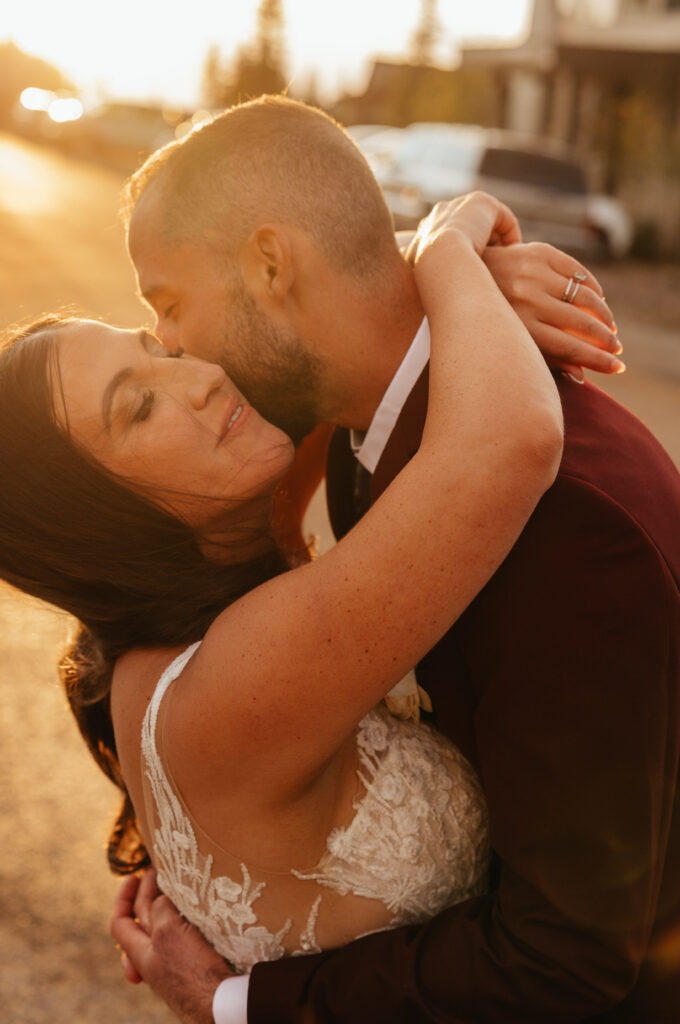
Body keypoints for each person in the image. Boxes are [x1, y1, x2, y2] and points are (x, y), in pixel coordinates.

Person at [111, 97, 680, 1023]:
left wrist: (238, 1002)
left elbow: (565, 956)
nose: (174, 350)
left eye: (168, 306)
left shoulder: (573, 525)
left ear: (268, 266)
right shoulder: (350, 438)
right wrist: (445, 254)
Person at [0, 193, 564, 992]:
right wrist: (448, 251)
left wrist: (447, 282)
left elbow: (309, 298)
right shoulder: (232, 678)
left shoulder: (203, 576)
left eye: (156, 351)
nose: (193, 379)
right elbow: (512, 439)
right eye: (137, 407)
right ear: (94, 522)